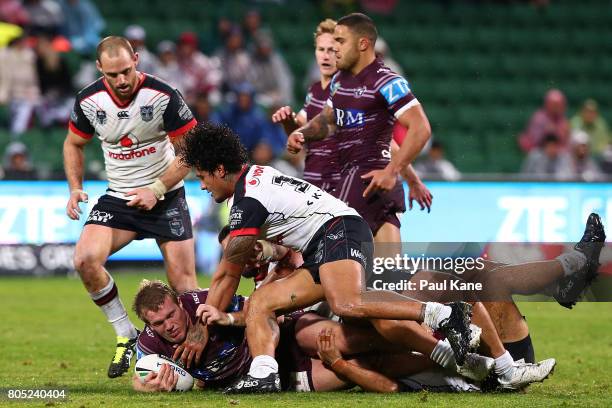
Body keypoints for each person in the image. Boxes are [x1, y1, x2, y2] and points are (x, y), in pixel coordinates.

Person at [177, 122, 472, 394]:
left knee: (347, 303)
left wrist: (201, 329)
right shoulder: (257, 176)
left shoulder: (248, 199)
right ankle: (264, 374)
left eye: (202, 177)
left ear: (218, 169)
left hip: (338, 231)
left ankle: (443, 314)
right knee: (262, 301)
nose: (202, 185)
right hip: (326, 240)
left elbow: (228, 273)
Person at [63, 36, 199, 378]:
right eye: (113, 75)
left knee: (185, 286)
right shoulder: (89, 101)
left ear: (136, 59)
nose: (121, 80)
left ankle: (201, 354)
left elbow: (191, 152)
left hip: (166, 194)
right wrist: (75, 188)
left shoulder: (163, 95)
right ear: (99, 70)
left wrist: (156, 188)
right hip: (119, 197)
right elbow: (73, 143)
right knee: (84, 260)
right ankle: (127, 333)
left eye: (126, 71)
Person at [286, 13, 432, 244]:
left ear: (363, 43)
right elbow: (328, 120)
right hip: (371, 184)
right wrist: (302, 133)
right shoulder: (340, 81)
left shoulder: (387, 81)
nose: (334, 49)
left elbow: (421, 127)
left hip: (365, 178)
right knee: (386, 274)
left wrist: (393, 171)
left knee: (325, 260)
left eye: (341, 41)